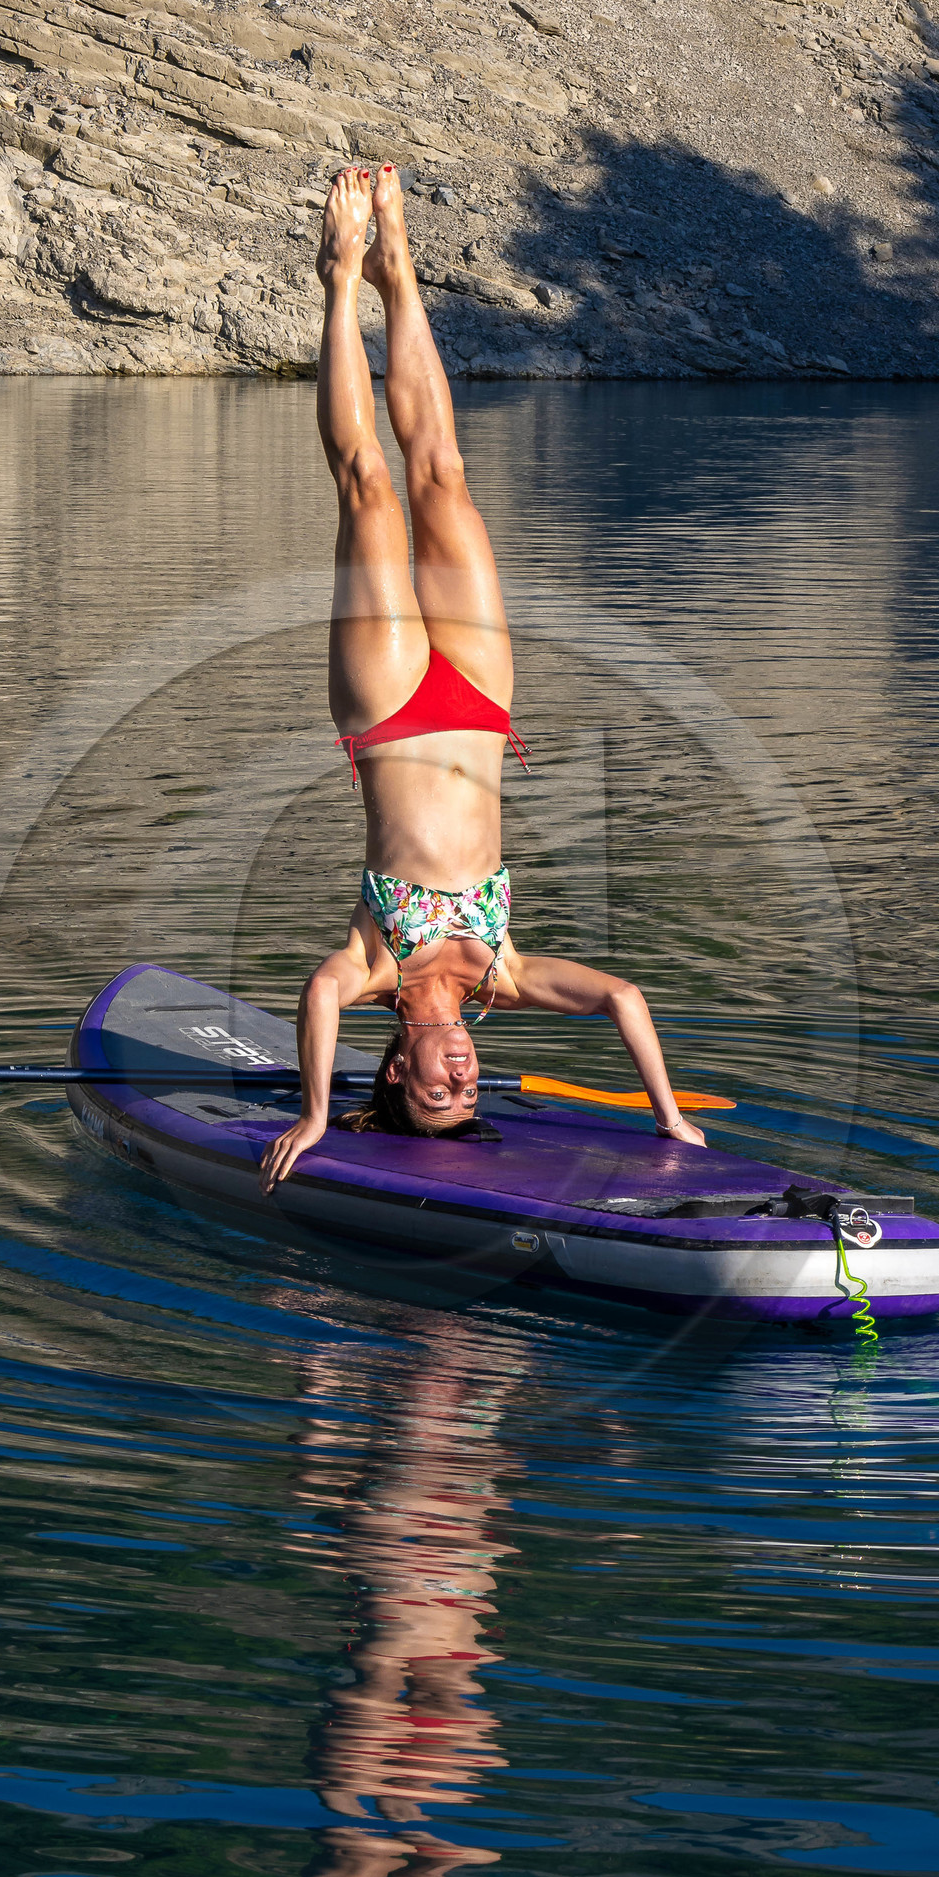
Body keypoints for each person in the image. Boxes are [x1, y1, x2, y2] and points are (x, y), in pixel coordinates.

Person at [259, 164, 706, 1195]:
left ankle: (338, 282)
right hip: (479, 701)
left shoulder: (372, 971)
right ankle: (400, 270)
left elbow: (316, 998)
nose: (461, 1077)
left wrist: (321, 1114)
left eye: (436, 1091)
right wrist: (670, 1121)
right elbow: (624, 998)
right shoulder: (501, 979)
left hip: (385, 708)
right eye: (468, 1091)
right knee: (444, 473)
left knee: (369, 486)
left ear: (399, 1073)